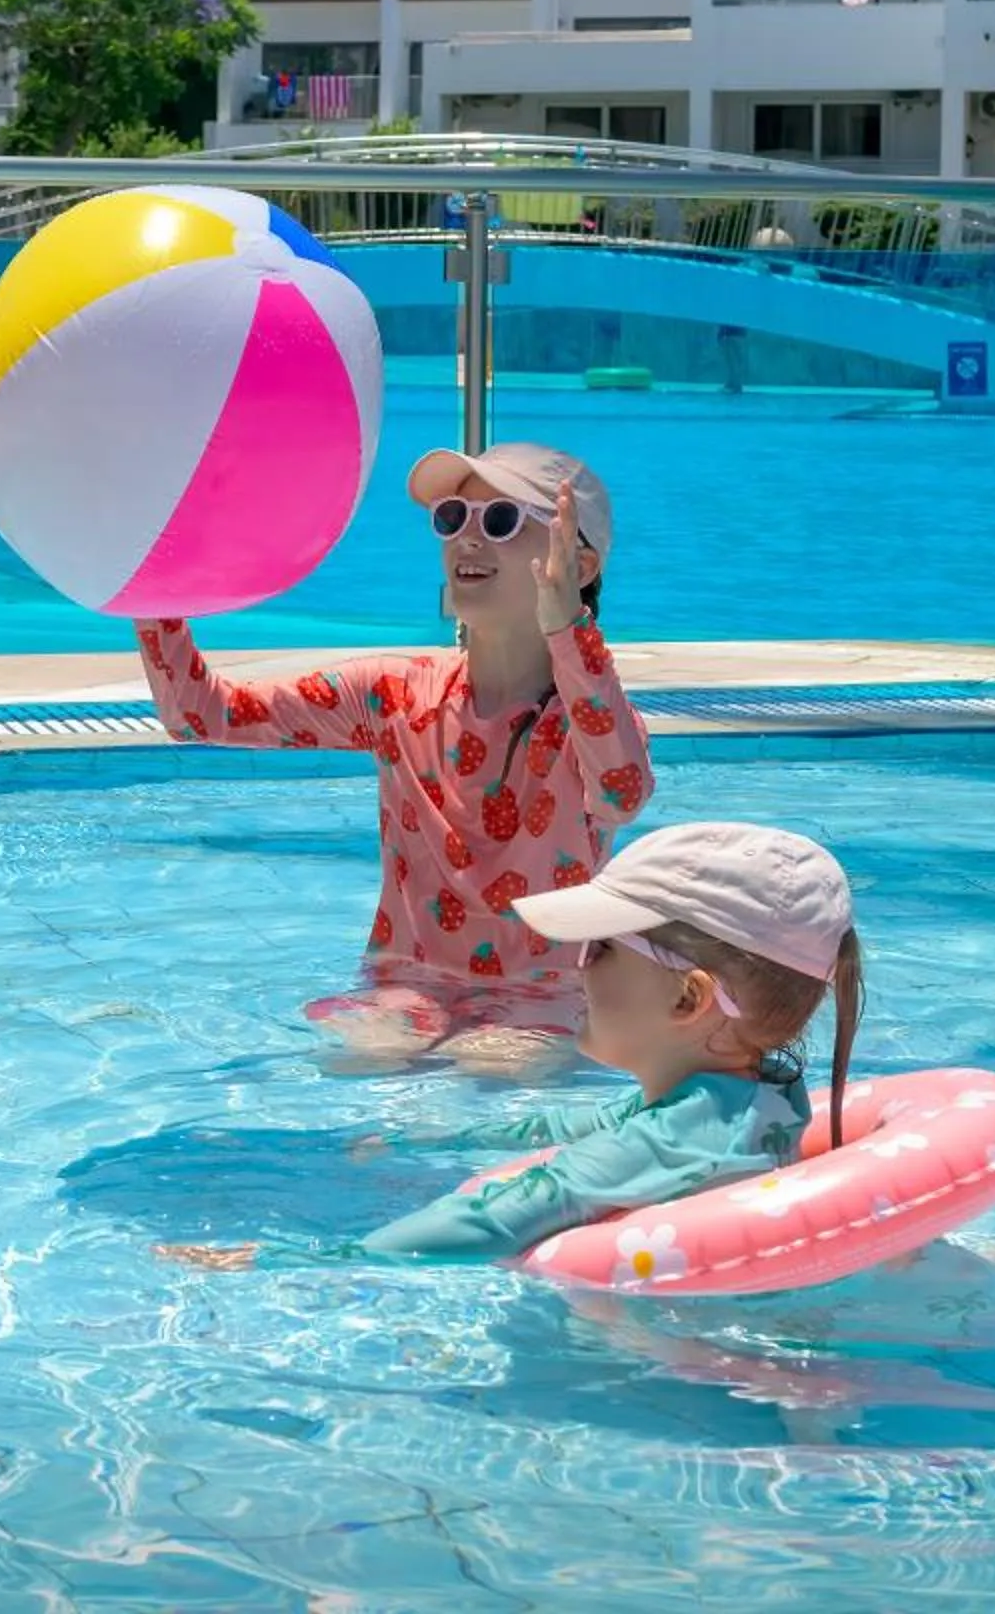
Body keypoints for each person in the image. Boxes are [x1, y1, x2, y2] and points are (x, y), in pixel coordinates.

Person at [135, 444, 654, 1074]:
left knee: (496, 1072)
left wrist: (568, 630)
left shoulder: (591, 721)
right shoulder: (394, 694)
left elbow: (623, 793)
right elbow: (199, 714)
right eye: (453, 517)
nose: (467, 538)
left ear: (580, 562)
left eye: (501, 521)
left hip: (539, 1000)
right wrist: (152, 581)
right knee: (363, 1061)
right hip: (404, 986)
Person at [159, 822, 866, 1270]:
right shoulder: (750, 1095)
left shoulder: (679, 1139)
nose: (574, 968)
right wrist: (431, 1138)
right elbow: (576, 1124)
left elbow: (502, 1215)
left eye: (599, 949)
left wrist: (292, 1260)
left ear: (689, 999)